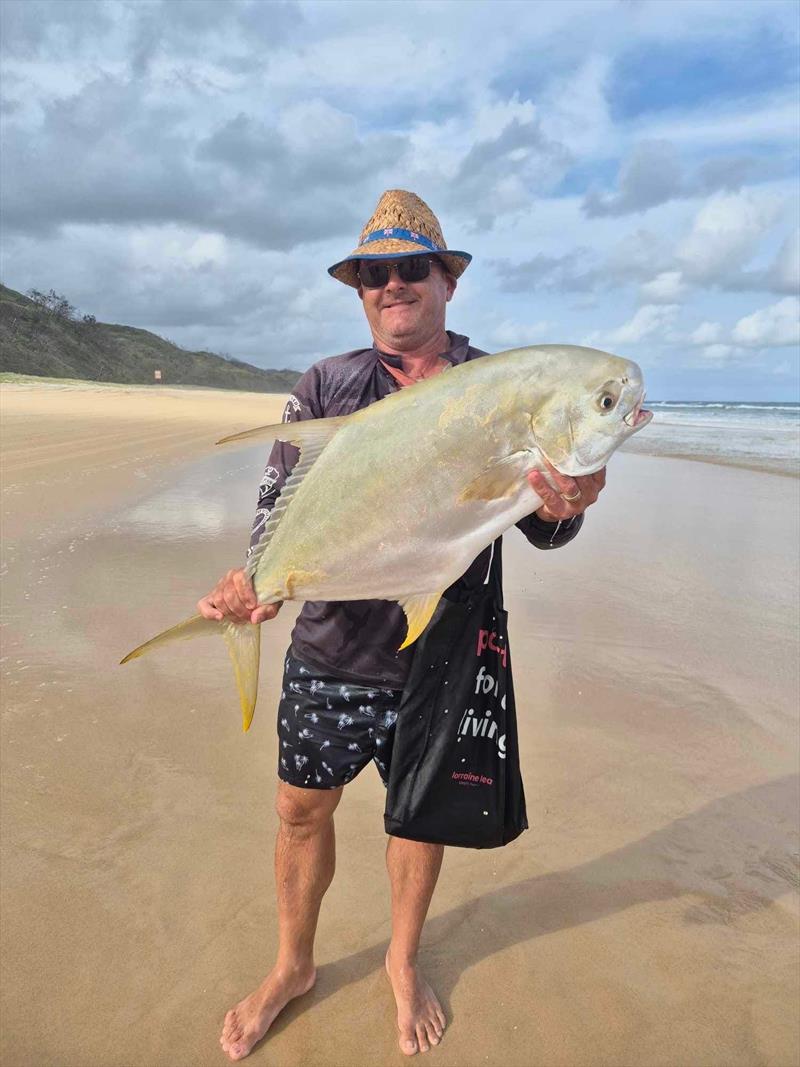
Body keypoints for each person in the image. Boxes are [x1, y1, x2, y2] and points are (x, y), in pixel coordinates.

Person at [202, 190, 606, 1061]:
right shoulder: (327, 386)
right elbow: (279, 509)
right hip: (333, 650)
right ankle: (294, 965)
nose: (392, 286)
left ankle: (401, 957)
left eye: (409, 269)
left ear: (445, 282)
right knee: (300, 808)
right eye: (373, 274)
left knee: (417, 819)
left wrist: (571, 501)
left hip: (447, 651)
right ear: (360, 291)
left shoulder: (498, 386)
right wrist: (255, 586)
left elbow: (541, 523)